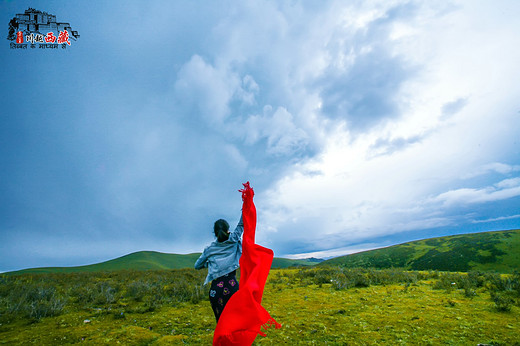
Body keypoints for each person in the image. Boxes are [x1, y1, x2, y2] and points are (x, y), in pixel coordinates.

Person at [194, 215, 243, 322]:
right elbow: (241, 225)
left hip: (216, 289)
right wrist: (246, 206)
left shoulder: (209, 249)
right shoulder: (234, 240)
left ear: (214, 233)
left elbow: (197, 266)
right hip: (232, 286)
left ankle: (222, 338)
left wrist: (208, 264)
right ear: (227, 230)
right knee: (234, 319)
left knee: (221, 321)